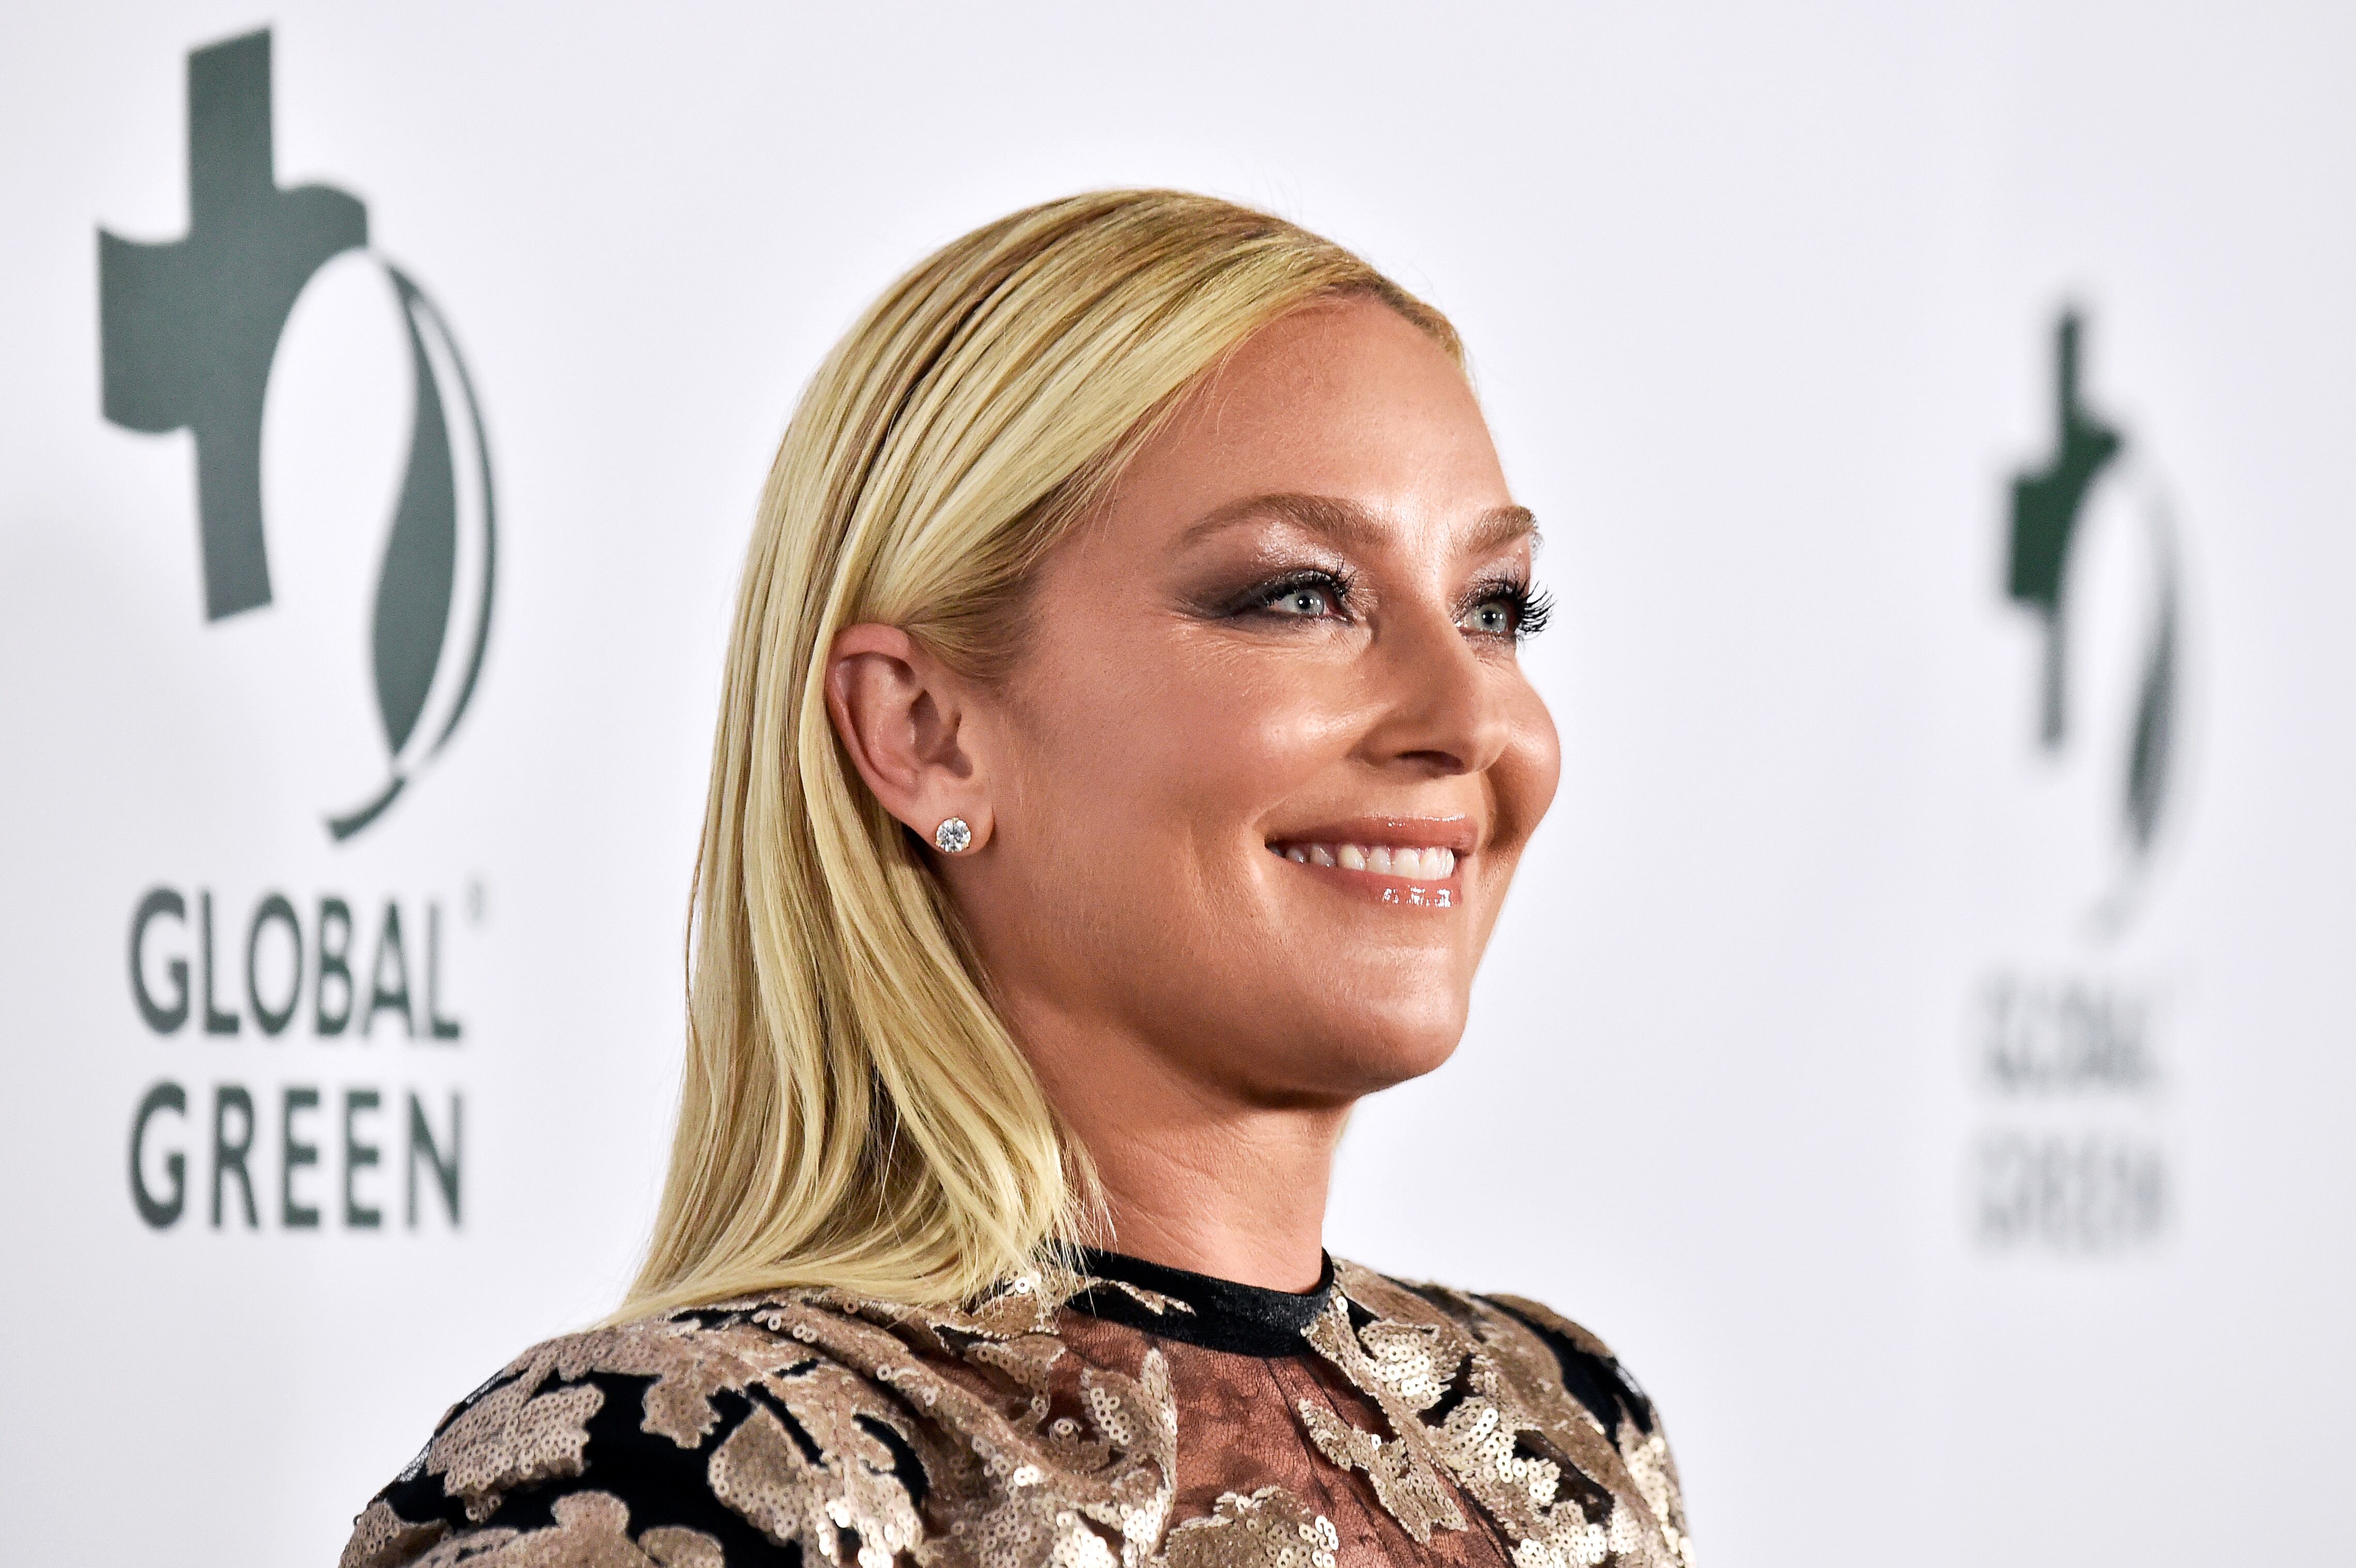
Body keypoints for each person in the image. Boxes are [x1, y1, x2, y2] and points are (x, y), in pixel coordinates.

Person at [341, 190, 1693, 1568]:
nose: (1469, 721)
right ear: (923, 734)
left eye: (1495, 607)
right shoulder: (693, 1471)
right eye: (1299, 593)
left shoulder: (1560, 1437)